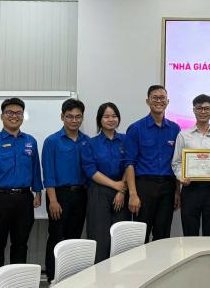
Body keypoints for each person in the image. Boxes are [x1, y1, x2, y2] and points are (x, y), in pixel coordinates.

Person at [0, 97, 43, 288]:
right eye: (9, 113)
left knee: (20, 245)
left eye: (18, 113)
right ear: (2, 116)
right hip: (0, 200)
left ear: (23, 116)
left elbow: (35, 169)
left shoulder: (30, 142)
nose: (14, 116)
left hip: (24, 199)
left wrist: (38, 192)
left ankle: (17, 284)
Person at [124, 85, 181, 242]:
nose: (158, 101)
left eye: (162, 98)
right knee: (140, 236)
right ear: (147, 101)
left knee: (163, 235)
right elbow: (129, 163)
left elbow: (177, 162)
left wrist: (177, 191)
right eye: (155, 98)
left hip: (167, 187)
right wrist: (133, 194)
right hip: (144, 187)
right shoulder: (135, 128)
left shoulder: (175, 129)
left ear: (167, 101)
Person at [41, 98, 89, 282]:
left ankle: (70, 278)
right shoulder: (52, 141)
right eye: (70, 116)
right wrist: (53, 200)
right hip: (59, 195)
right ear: (62, 117)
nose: (74, 120)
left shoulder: (87, 141)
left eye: (78, 116)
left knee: (74, 238)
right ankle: (53, 278)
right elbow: (49, 173)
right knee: (56, 237)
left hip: (81, 195)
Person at [171, 94, 210, 236]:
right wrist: (181, 176)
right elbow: (176, 162)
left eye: (206, 108)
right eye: (199, 108)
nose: (203, 112)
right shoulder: (183, 135)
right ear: (194, 110)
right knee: (190, 233)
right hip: (190, 189)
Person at [81, 102, 129, 263]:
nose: (111, 119)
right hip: (98, 192)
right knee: (99, 237)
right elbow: (90, 170)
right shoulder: (90, 143)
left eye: (114, 116)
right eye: (106, 116)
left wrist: (121, 190)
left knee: (120, 239)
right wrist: (115, 185)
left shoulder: (126, 140)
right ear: (99, 120)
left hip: (122, 192)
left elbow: (129, 165)